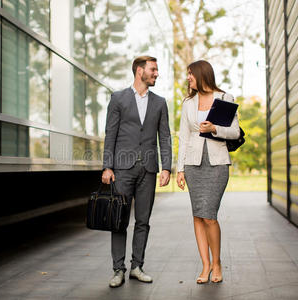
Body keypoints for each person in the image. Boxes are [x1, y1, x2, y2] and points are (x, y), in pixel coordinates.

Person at [101, 55, 172, 288]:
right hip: (122, 170)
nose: (156, 73)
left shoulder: (160, 103)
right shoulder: (118, 98)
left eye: (157, 70)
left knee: (143, 220)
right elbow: (110, 133)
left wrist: (166, 167)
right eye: (153, 69)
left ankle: (137, 267)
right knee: (119, 220)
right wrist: (107, 166)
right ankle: (118, 269)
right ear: (139, 70)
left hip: (148, 170)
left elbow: (165, 136)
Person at [176, 60, 240, 284]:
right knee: (197, 215)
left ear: (202, 74)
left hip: (217, 164)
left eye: (191, 74)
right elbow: (183, 137)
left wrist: (214, 128)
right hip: (193, 164)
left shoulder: (224, 98)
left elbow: (234, 132)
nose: (188, 78)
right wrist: (180, 169)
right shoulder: (188, 103)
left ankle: (217, 263)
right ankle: (205, 265)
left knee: (209, 216)